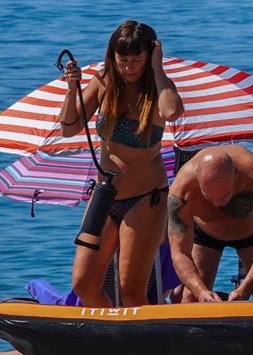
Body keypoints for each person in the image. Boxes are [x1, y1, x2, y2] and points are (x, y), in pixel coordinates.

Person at [58, 21, 184, 307]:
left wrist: (157, 68)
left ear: (149, 57)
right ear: (112, 57)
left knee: (131, 288)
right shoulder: (104, 82)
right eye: (123, 60)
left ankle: (146, 348)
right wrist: (71, 88)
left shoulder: (158, 89)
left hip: (145, 199)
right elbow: (68, 128)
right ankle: (112, 341)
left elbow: (172, 111)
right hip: (104, 195)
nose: (129, 67)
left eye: (137, 60)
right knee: (84, 282)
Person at [166, 144, 253, 302]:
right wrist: (201, 292)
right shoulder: (182, 191)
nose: (217, 204)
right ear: (198, 181)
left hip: (251, 234)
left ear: (235, 175)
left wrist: (244, 290)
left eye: (224, 197)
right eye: (208, 196)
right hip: (206, 233)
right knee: (192, 296)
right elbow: (179, 252)